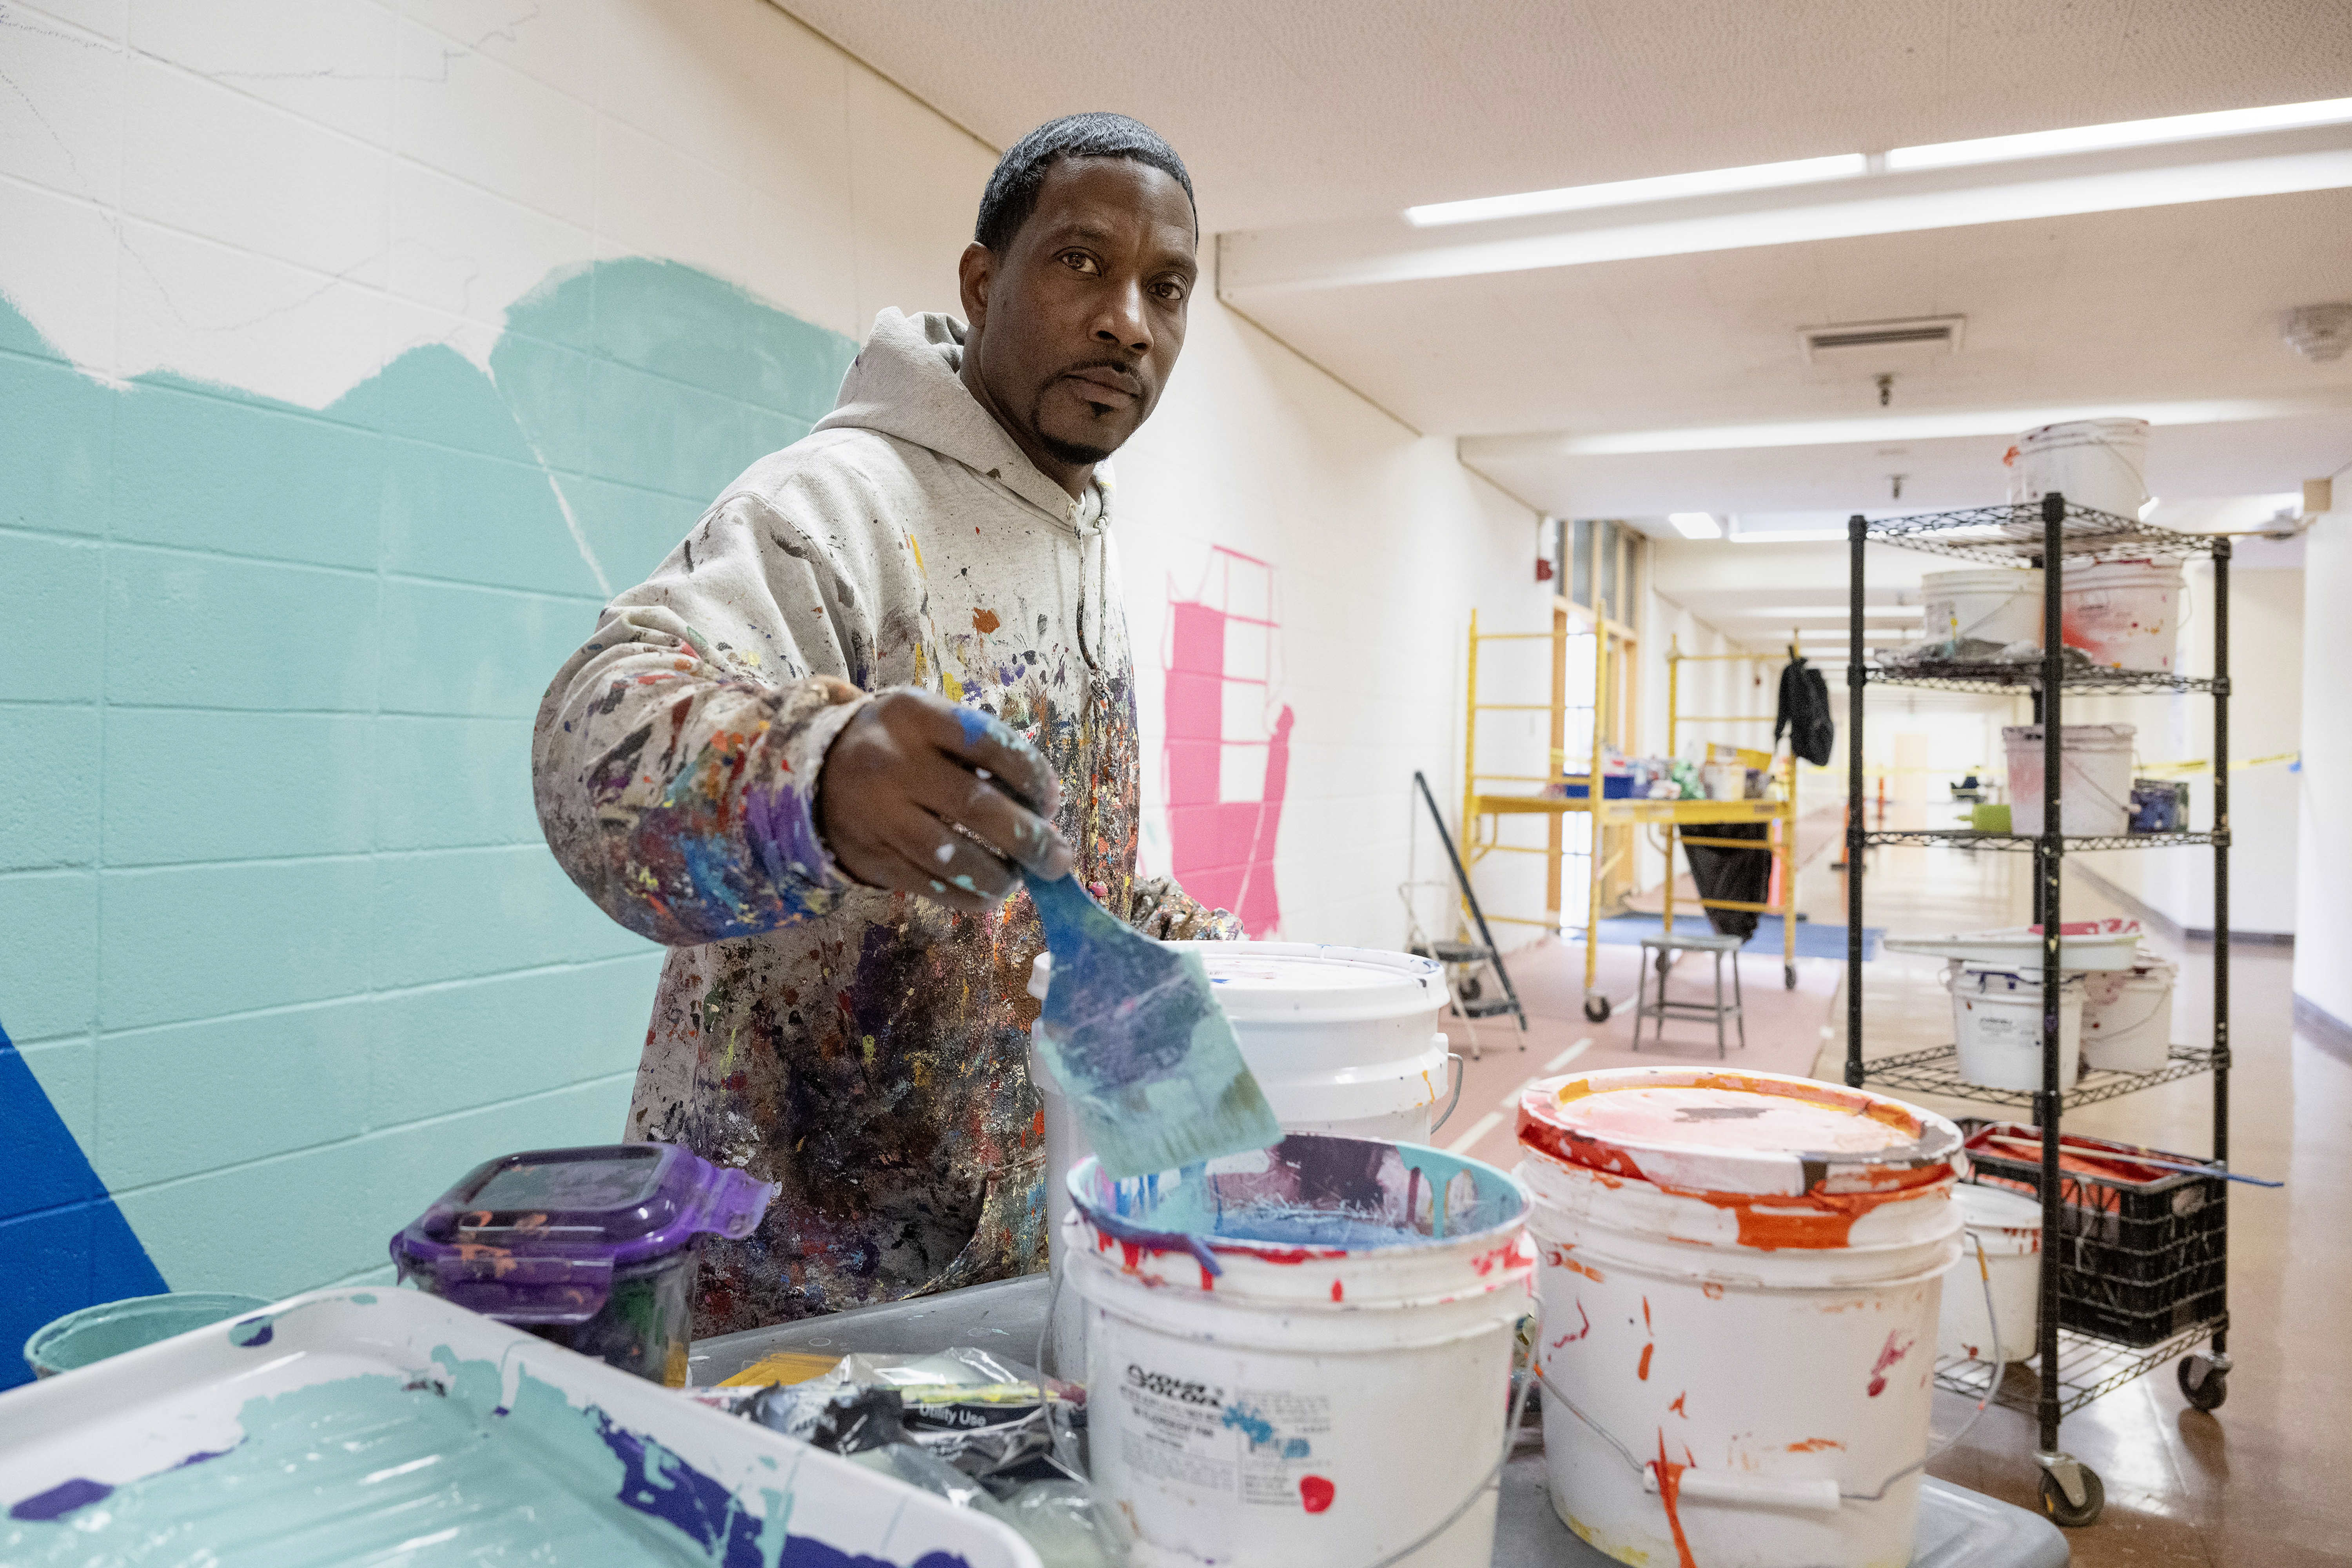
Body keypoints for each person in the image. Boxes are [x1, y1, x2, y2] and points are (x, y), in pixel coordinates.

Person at [533, 114, 1240, 1336]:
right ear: (982, 284)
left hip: (1004, 1296)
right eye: (1082, 261)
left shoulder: (1080, 551)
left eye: (1165, 288)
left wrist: (1255, 980)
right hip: (785, 1307)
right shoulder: (840, 505)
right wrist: (812, 778)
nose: (1129, 319)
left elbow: (1074, 883)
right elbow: (589, 739)